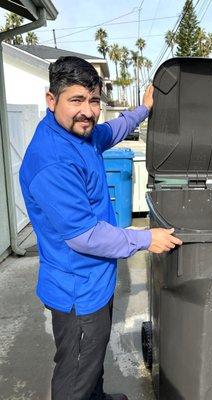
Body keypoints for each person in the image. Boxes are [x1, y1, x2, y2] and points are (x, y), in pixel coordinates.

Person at [19, 56, 182, 400]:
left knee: (92, 361)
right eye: (76, 100)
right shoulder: (52, 161)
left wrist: (143, 109)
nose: (88, 112)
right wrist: (145, 238)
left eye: (94, 101)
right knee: (76, 372)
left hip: (96, 280)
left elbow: (110, 131)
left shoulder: (81, 134)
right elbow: (85, 235)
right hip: (77, 290)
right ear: (52, 100)